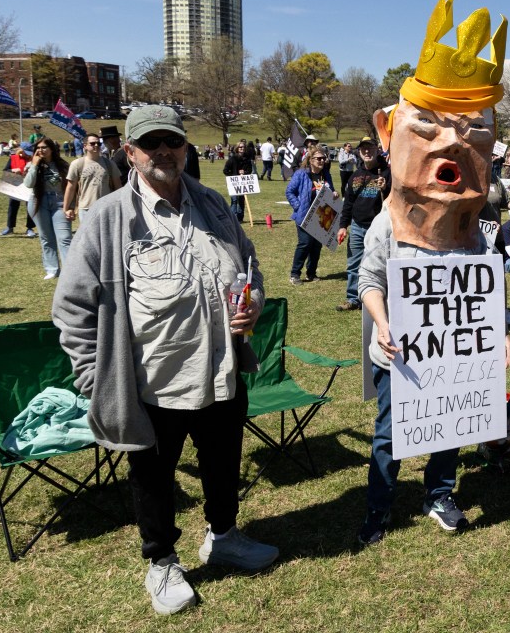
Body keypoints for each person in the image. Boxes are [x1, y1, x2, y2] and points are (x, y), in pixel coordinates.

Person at [52, 105, 277, 616]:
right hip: (153, 383)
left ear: (184, 148)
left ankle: (223, 536)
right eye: (149, 143)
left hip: (221, 372)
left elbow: (250, 266)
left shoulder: (215, 204)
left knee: (223, 466)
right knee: (153, 479)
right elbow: (70, 308)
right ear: (129, 153)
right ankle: (162, 562)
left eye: (171, 142)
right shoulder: (108, 219)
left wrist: (253, 302)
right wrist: (96, 378)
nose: (163, 152)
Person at [357, 0, 510, 546]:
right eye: (427, 126)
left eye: (472, 131)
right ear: (388, 131)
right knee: (388, 429)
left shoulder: (477, 231)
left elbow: (482, 286)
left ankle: (439, 492)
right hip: (398, 346)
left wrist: (495, 336)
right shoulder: (384, 225)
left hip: (455, 351)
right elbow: (369, 281)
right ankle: (380, 505)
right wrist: (381, 323)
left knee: (451, 421)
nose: (451, 143)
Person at [336, 137, 390, 311]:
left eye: (370, 148)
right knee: (353, 263)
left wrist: (386, 188)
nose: (367, 152)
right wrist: (343, 226)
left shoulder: (387, 173)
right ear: (359, 152)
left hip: (380, 227)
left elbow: (398, 199)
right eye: (363, 149)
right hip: (358, 226)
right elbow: (348, 204)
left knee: (382, 263)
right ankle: (353, 298)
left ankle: (382, 297)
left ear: (377, 149)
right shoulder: (355, 176)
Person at [286, 143, 336, 284]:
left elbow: (330, 189)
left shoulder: (325, 175)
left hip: (321, 215)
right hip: (304, 214)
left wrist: (334, 193)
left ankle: (311, 273)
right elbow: (289, 192)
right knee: (305, 243)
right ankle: (295, 274)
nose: (322, 161)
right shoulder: (301, 174)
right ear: (311, 160)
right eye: (318, 158)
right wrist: (298, 206)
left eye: (323, 158)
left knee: (316, 246)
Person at [24, 137, 72, 279]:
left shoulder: (62, 165)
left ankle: (69, 270)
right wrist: (34, 165)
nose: (41, 150)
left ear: (52, 149)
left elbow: (71, 187)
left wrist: (71, 206)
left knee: (64, 237)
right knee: (46, 237)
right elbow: (28, 184)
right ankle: (52, 269)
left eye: (44, 147)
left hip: (59, 201)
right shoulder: (33, 164)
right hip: (39, 202)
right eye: (38, 148)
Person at [63, 132, 122, 225]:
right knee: (89, 238)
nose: (96, 145)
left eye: (98, 143)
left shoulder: (110, 164)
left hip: (106, 207)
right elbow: (71, 187)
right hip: (86, 208)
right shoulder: (77, 164)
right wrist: (66, 208)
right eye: (92, 143)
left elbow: (118, 186)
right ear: (85, 146)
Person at [0, 142, 38, 237]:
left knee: (30, 206)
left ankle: (30, 228)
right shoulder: (13, 158)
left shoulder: (34, 160)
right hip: (16, 185)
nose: (28, 155)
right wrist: (13, 170)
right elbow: (5, 170)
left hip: (29, 185)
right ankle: (10, 227)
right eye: (26, 152)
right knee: (13, 205)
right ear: (21, 151)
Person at [222, 141, 253, 222]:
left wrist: (244, 172)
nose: (242, 148)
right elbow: (225, 170)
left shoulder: (247, 159)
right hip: (233, 183)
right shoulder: (232, 159)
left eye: (243, 147)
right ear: (237, 148)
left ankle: (240, 217)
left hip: (243, 183)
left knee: (241, 200)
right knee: (234, 200)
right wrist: (233, 176)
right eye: (240, 147)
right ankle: (233, 218)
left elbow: (250, 170)